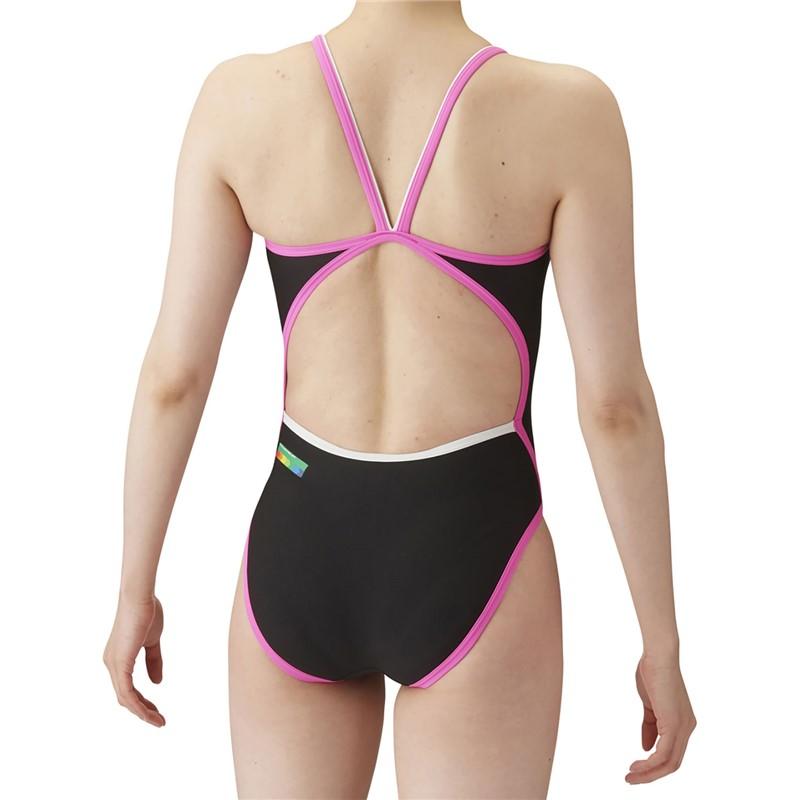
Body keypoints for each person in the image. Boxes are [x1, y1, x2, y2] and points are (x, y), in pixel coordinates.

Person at [102, 1, 696, 797]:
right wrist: (661, 642)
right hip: (478, 540)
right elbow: (616, 407)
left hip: (301, 539)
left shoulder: (240, 98)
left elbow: (174, 377)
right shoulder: (568, 112)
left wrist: (133, 591)